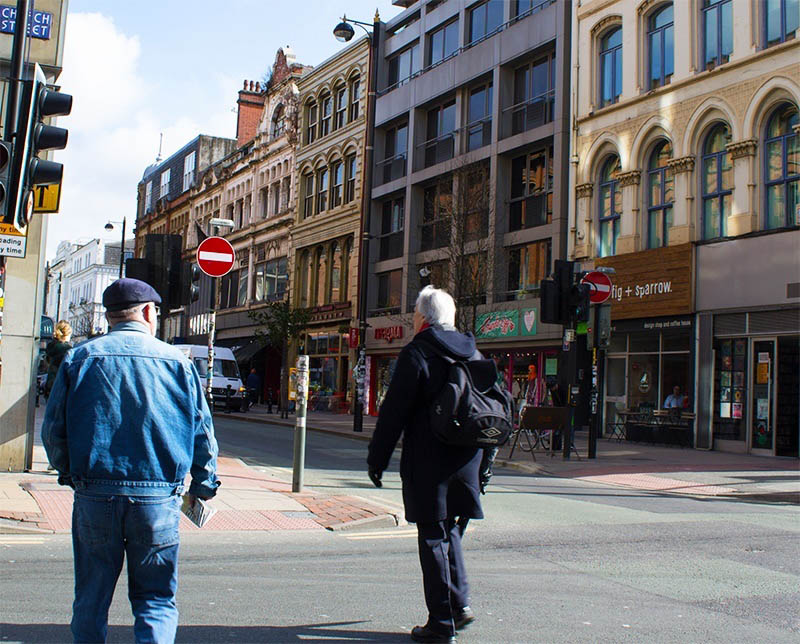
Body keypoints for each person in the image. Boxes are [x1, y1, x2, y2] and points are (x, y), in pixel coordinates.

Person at [41, 278, 220, 644]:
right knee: (155, 599)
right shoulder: (177, 363)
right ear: (149, 312)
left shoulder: (79, 358)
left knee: (90, 598)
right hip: (157, 497)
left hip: (95, 493)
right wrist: (203, 485)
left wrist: (70, 474)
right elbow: (202, 432)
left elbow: (52, 430)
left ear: (109, 316)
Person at [367, 286, 485, 644]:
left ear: (422, 318)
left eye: (416, 314)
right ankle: (459, 605)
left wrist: (377, 459)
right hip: (467, 460)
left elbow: (393, 414)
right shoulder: (473, 352)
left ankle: (440, 623)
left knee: (433, 535)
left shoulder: (417, 352)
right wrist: (485, 467)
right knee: (449, 531)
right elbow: (490, 407)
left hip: (428, 462)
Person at [44, 320, 72, 398]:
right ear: (67, 334)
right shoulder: (67, 350)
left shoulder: (51, 347)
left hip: (50, 385)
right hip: (61, 388)